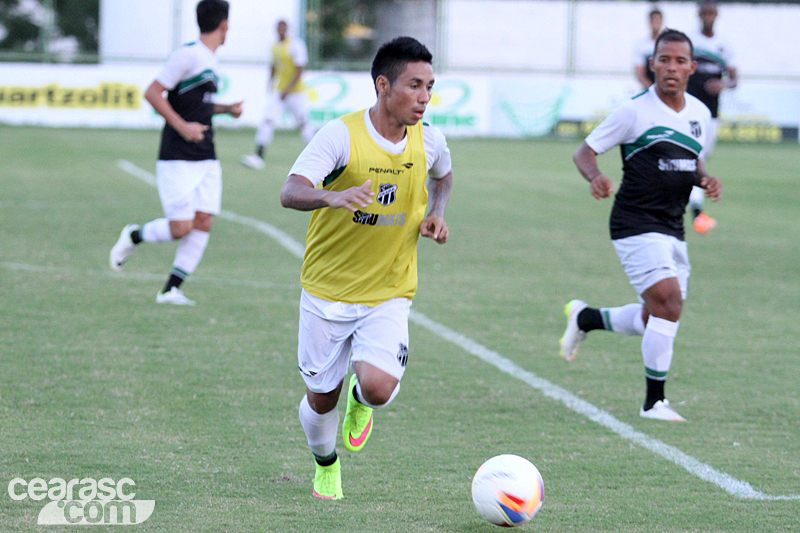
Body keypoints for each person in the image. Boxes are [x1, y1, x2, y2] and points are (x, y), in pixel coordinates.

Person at [280, 36, 453, 499]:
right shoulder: (341, 136)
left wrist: (437, 213)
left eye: (429, 87)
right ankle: (325, 464)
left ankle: (362, 400)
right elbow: (290, 191)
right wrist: (333, 196)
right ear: (383, 85)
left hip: (389, 290)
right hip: (326, 291)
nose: (424, 97)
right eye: (414, 85)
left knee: (377, 388)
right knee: (321, 399)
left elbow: (444, 176)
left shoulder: (430, 139)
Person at [565, 29, 721, 421]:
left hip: (672, 225)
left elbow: (692, 160)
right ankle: (654, 402)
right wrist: (595, 177)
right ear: (652, 65)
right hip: (634, 221)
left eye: (679, 61)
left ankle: (585, 318)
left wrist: (705, 179)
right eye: (664, 60)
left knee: (656, 316)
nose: (671, 68)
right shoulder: (632, 111)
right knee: (668, 302)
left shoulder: (700, 114)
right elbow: (584, 152)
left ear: (692, 67)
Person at [109, 0, 242, 305]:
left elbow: (198, 104)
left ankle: (170, 289)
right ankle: (134, 236)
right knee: (181, 227)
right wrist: (182, 127)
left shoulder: (210, 59)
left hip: (207, 154)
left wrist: (226, 109)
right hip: (177, 155)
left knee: (204, 221)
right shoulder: (187, 54)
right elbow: (152, 92)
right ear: (223, 25)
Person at [686, 1, 736, 234]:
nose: (708, 16)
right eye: (704, 12)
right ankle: (697, 213)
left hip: (711, 115)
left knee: (700, 160)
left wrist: (723, 84)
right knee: (694, 159)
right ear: (699, 15)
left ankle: (694, 210)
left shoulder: (723, 45)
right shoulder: (690, 42)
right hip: (688, 111)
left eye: (711, 13)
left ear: (716, 15)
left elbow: (734, 79)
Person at [241, 20, 315, 170]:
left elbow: (300, 69)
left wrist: (289, 89)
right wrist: (270, 82)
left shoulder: (295, 45)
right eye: (279, 28)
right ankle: (258, 156)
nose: (281, 31)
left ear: (288, 29)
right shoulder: (275, 46)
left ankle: (317, 156)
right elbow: (274, 65)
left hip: (296, 93)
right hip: (279, 92)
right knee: (267, 121)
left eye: (283, 28)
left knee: (303, 124)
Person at [632, 7, 664, 90]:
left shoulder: (667, 44)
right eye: (653, 20)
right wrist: (652, 89)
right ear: (649, 22)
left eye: (658, 20)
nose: (656, 23)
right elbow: (639, 72)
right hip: (647, 90)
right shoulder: (641, 45)